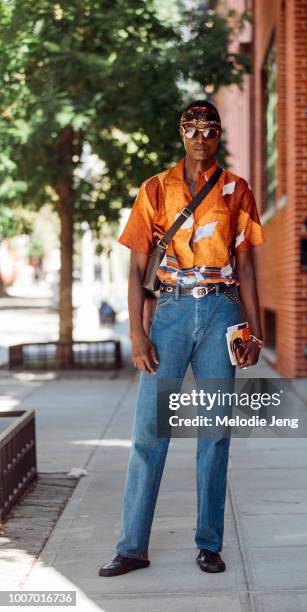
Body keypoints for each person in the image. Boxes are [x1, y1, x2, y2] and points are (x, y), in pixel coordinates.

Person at [99, 100, 265, 577]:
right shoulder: (154, 189)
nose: (201, 136)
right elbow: (135, 270)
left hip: (221, 311)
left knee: (214, 434)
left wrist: (255, 330)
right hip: (169, 312)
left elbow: (248, 268)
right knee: (150, 433)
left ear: (218, 136)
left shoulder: (238, 190)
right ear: (181, 133)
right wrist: (137, 332)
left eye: (209, 128)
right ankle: (132, 547)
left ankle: (209, 544)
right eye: (192, 128)